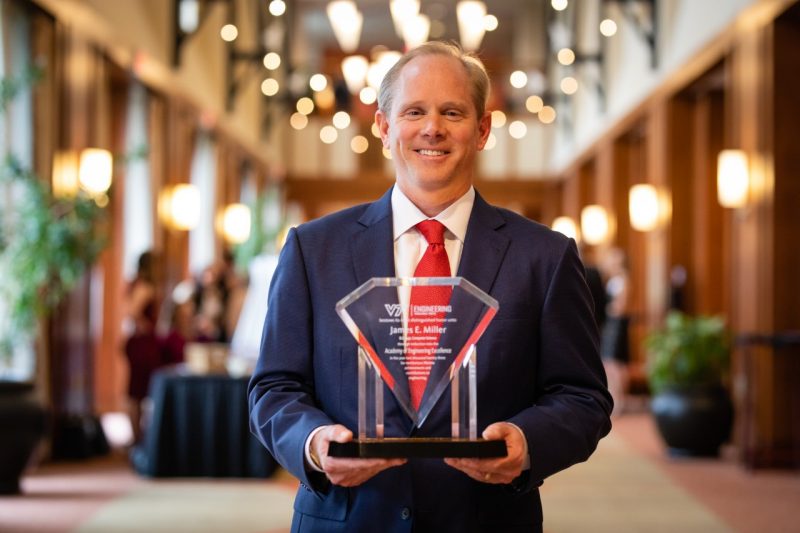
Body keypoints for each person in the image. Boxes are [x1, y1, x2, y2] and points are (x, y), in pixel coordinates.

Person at [248, 41, 612, 532]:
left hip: (486, 519)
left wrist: (527, 444)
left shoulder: (544, 257)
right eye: (414, 111)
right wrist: (314, 443)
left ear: (482, 129)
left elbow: (583, 396)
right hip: (347, 518)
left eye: (453, 112)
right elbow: (273, 388)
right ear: (383, 126)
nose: (432, 128)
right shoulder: (313, 251)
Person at [123, 250, 161, 444]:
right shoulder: (145, 287)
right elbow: (132, 311)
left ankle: (139, 436)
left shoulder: (141, 285)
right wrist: (144, 325)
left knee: (139, 391)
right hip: (142, 345)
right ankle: (137, 438)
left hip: (143, 343)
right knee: (137, 392)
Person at [599, 247, 631, 415]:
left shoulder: (623, 278)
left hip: (617, 323)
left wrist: (606, 309)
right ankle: (616, 398)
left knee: (615, 362)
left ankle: (620, 400)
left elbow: (621, 305)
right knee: (611, 362)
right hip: (611, 322)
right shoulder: (612, 278)